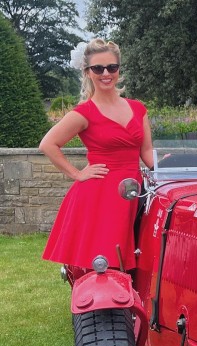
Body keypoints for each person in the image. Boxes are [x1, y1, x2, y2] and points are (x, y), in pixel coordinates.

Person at [40, 38, 153, 271]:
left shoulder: (138, 108)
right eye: (98, 68)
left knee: (140, 262)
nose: (106, 73)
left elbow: (147, 152)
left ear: (119, 70)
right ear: (88, 72)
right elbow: (48, 144)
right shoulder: (84, 113)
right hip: (101, 194)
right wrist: (77, 173)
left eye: (112, 67)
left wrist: (168, 166)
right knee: (105, 264)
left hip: (133, 191)